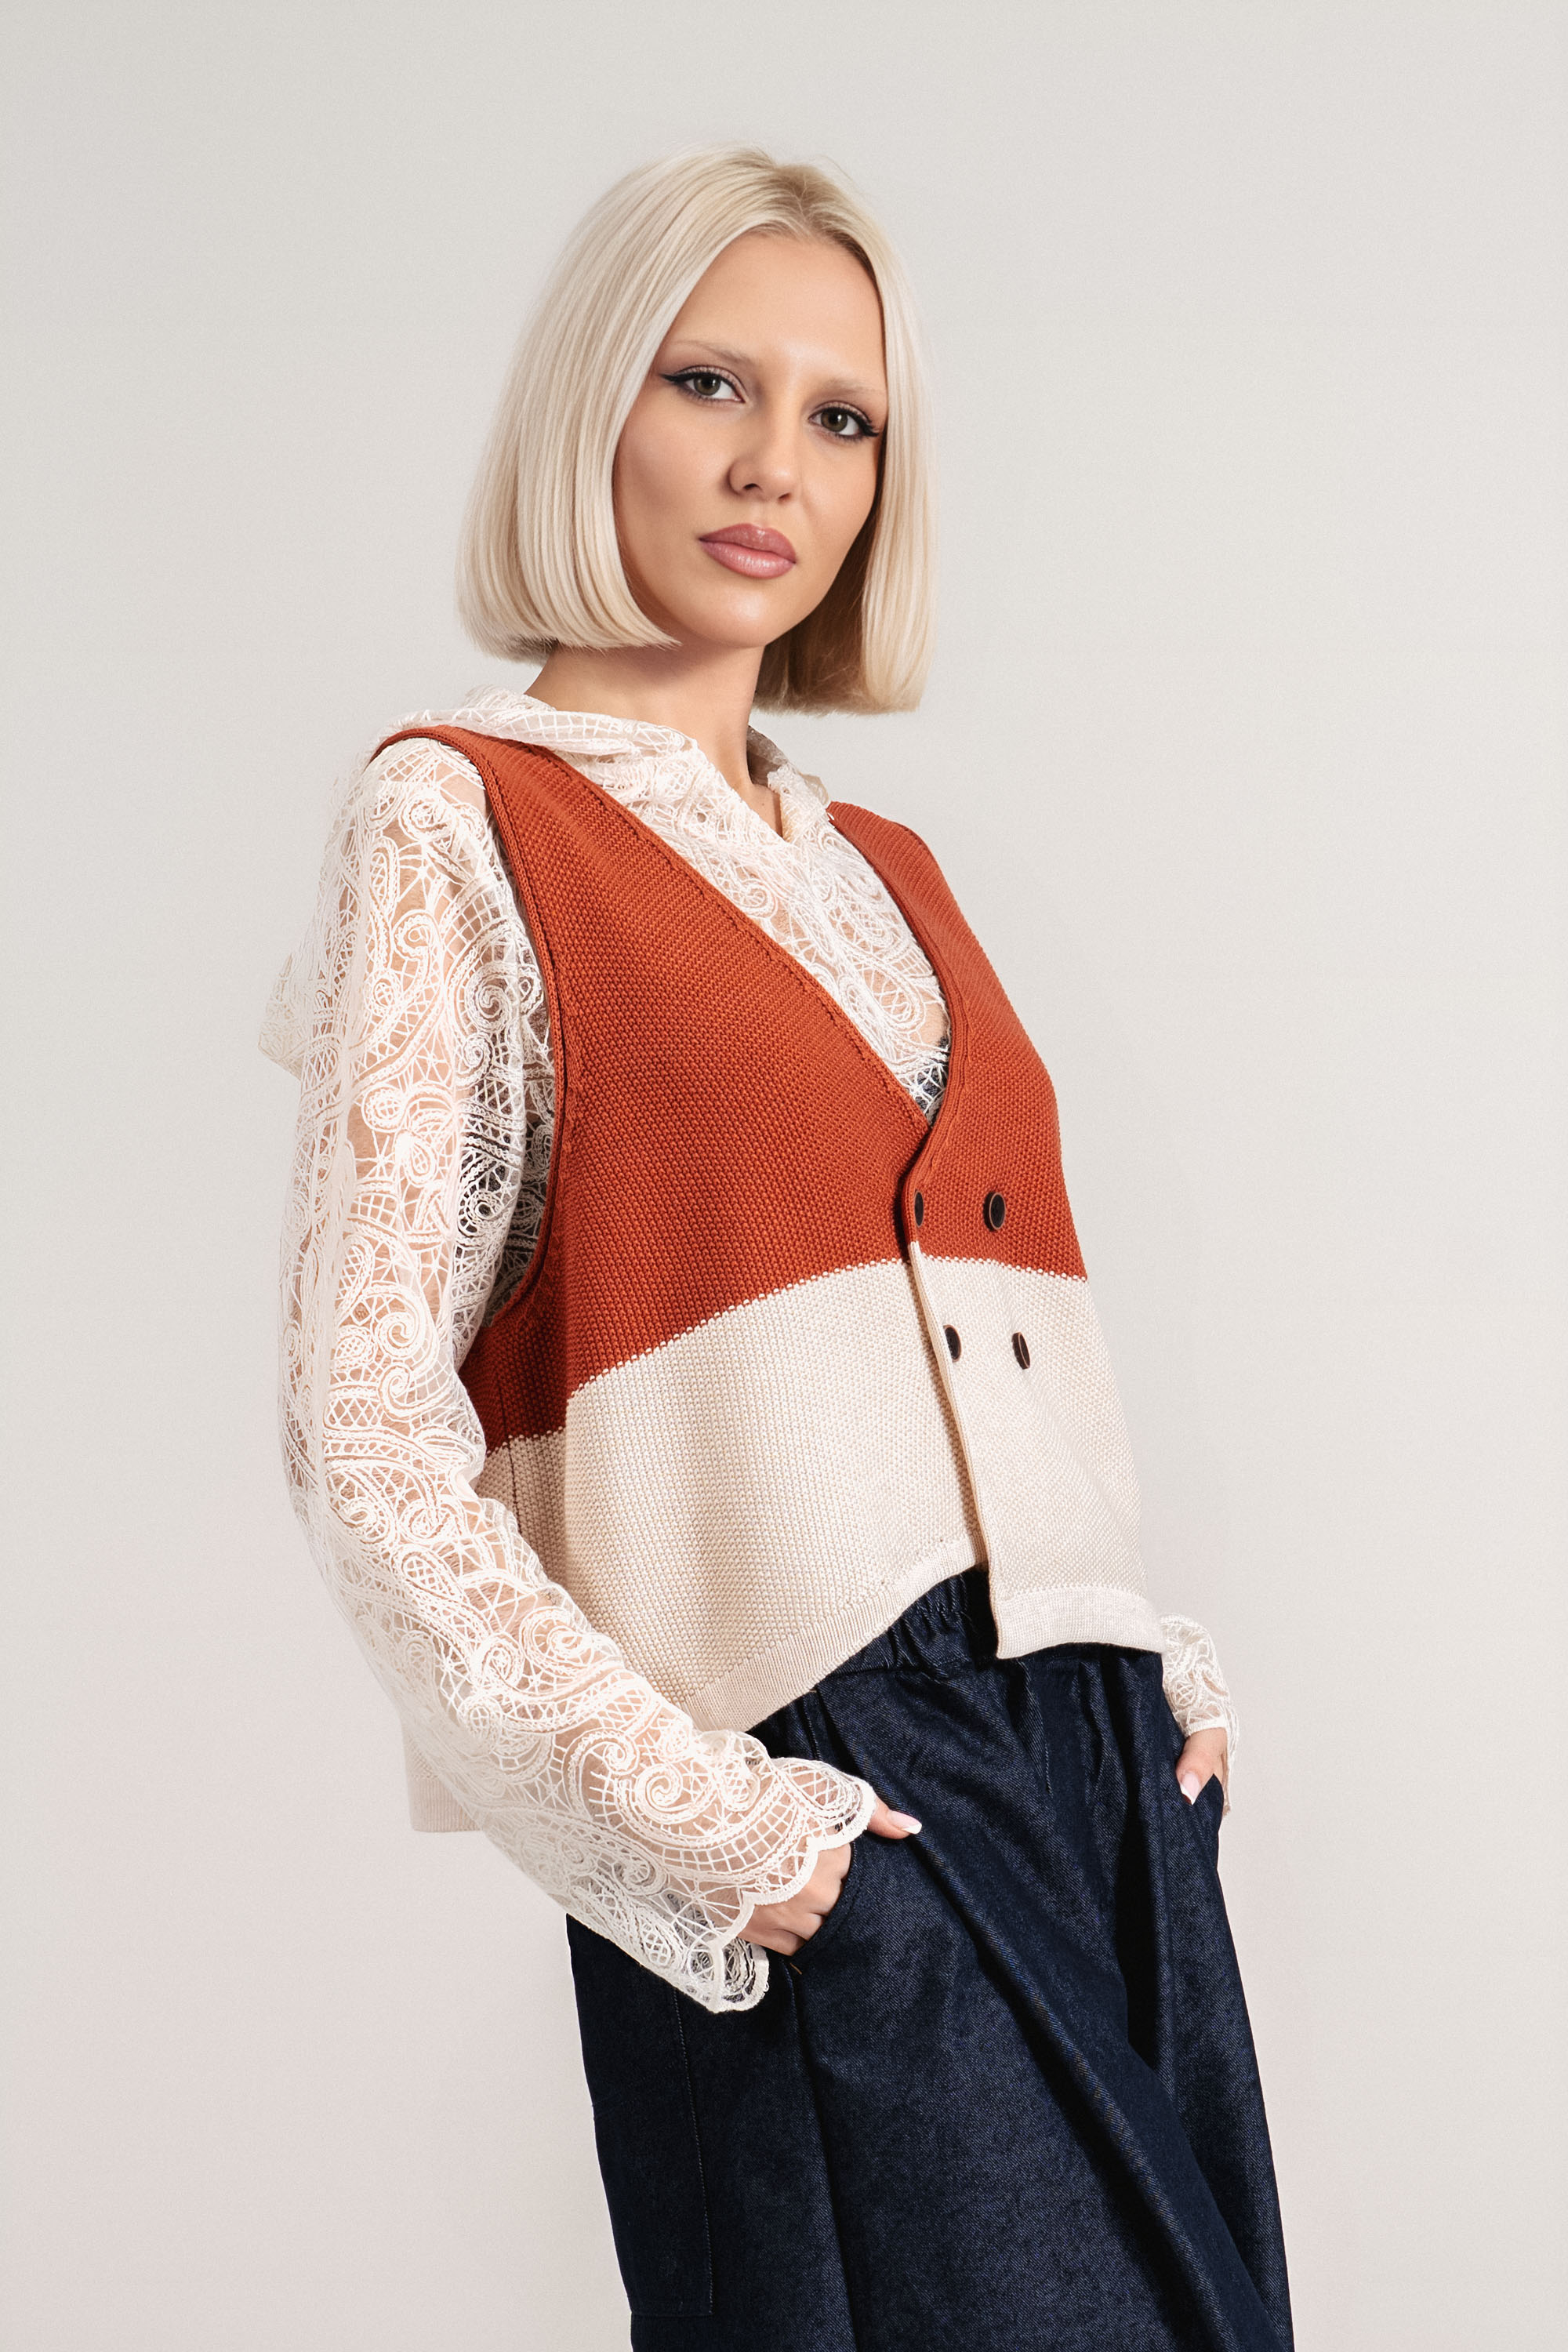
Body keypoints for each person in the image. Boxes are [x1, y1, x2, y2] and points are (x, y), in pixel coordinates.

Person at [263, 145, 1292, 2351]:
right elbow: (362, 1431)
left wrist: (1158, 1680)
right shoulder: (462, 811)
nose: (775, 469)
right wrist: (721, 1832)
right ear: (591, 403)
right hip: (827, 1775)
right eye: (708, 382)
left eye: (843, 418)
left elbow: (988, 1354)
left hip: (1099, 1770)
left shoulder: (887, 865)